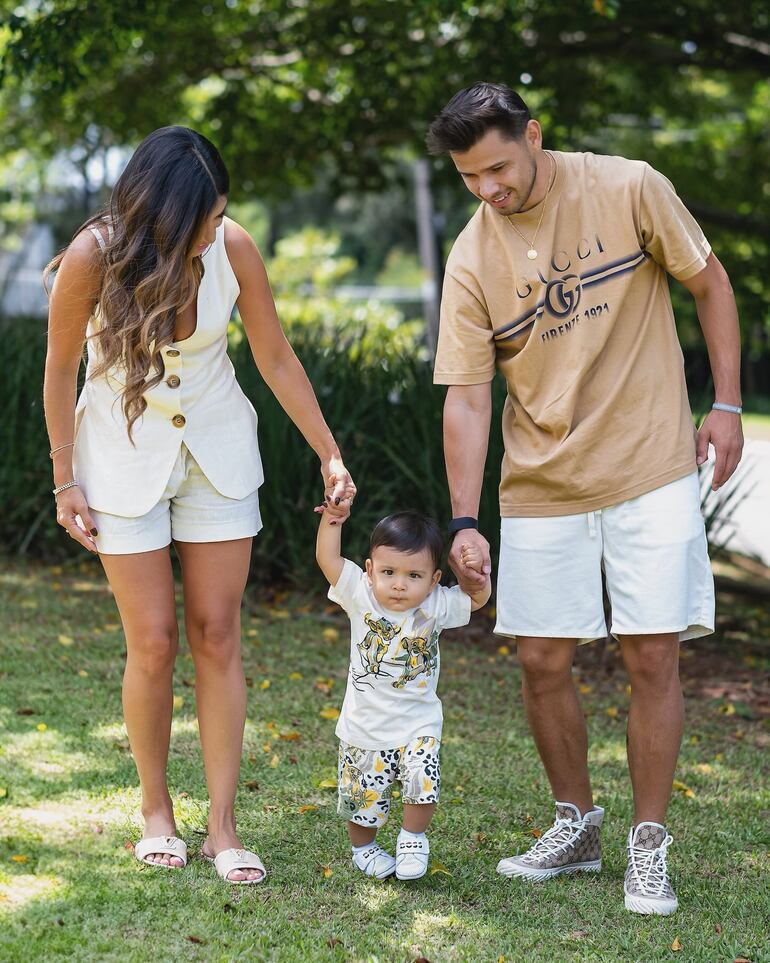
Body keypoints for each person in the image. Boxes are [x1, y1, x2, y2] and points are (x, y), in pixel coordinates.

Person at [427, 83, 743, 915]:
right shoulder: (472, 254)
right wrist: (464, 519)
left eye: (498, 166)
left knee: (651, 655)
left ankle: (648, 842)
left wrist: (728, 403)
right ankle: (577, 822)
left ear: (534, 135)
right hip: (541, 481)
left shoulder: (629, 184)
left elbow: (709, 282)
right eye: (469, 177)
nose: (488, 188)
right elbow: (466, 395)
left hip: (650, 462)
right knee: (541, 659)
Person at [43, 126, 354, 885]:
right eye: (208, 217)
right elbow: (59, 368)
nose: (218, 228)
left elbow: (275, 355)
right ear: (166, 214)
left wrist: (328, 450)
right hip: (119, 459)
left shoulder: (233, 249)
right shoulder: (93, 256)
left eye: (222, 214)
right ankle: (157, 811)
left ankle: (222, 826)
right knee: (151, 641)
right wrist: (64, 478)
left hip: (217, 454)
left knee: (217, 635)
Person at [316, 508, 491, 880]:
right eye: (388, 572)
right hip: (364, 727)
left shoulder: (436, 604)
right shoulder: (360, 596)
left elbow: (476, 599)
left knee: (422, 779)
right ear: (369, 570)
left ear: (434, 579)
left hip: (419, 723)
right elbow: (327, 559)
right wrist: (332, 518)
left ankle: (413, 839)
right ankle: (363, 849)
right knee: (363, 803)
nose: (399, 584)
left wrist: (478, 573)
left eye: (414, 575)